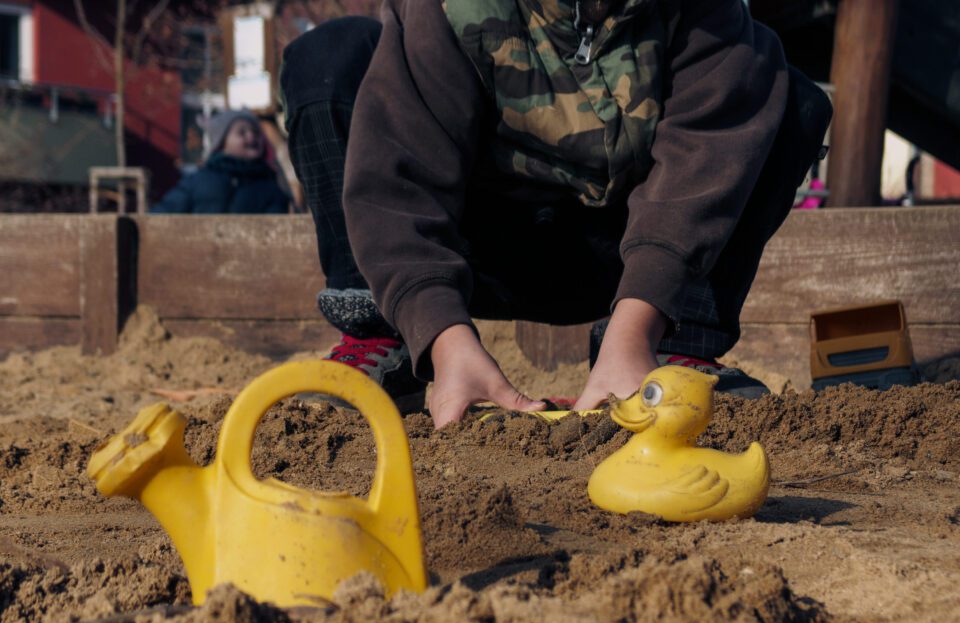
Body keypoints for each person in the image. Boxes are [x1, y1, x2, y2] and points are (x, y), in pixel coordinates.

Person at [279, 1, 832, 427]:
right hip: (474, 251)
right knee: (331, 58)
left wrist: (633, 331)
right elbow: (396, 174)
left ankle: (674, 351)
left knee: (788, 93)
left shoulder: (706, 12)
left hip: (630, 265)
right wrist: (443, 337)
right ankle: (383, 338)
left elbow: (707, 147)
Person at [154, 110, 291, 214]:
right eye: (242, 132)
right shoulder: (199, 181)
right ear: (222, 143)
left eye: (255, 132)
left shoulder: (269, 185)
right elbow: (166, 211)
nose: (251, 136)